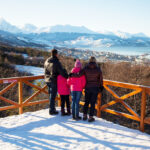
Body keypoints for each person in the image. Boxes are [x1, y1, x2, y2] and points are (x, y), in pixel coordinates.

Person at [71, 56, 103, 122]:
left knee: (86, 102)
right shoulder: (98, 69)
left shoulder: (86, 68)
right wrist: (101, 87)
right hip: (95, 88)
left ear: (89, 61)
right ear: (95, 61)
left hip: (88, 87)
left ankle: (85, 116)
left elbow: (79, 75)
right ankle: (90, 117)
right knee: (92, 103)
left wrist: (72, 75)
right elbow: (100, 80)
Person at [44, 49, 68, 115]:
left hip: (47, 80)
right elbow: (62, 72)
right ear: (56, 54)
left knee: (50, 95)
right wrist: (67, 76)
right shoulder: (56, 62)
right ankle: (52, 110)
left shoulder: (47, 61)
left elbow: (45, 70)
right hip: (53, 80)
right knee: (53, 95)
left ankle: (51, 108)